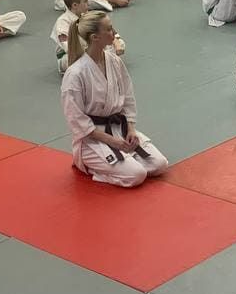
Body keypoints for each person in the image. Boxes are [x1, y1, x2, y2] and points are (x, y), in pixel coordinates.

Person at [61, 11, 168, 187]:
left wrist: (131, 129)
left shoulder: (114, 61)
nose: (114, 32)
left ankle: (124, 161)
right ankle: (91, 166)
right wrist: (112, 141)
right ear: (95, 37)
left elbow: (128, 96)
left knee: (159, 164)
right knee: (137, 175)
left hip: (120, 129)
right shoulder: (75, 73)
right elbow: (75, 119)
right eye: (109, 29)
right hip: (92, 139)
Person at [53, 0, 125, 73]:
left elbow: (108, 29)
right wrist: (92, 51)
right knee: (79, 59)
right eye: (85, 1)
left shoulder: (87, 15)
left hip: (89, 50)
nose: (89, 4)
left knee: (120, 43)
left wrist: (116, 43)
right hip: (70, 56)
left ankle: (98, 62)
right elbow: (69, 48)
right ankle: (98, 62)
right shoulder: (63, 22)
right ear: (75, 5)